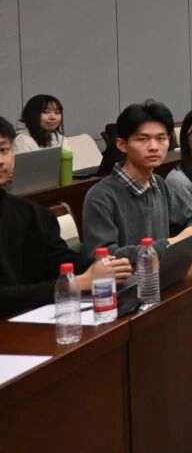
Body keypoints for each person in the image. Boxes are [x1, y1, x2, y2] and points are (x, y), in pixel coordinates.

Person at [1, 117, 132, 318]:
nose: (1, 160)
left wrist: (104, 268)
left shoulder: (32, 214)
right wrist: (75, 283)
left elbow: (61, 261)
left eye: (4, 150)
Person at [82, 101, 192, 263]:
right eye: (143, 139)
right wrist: (172, 242)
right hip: (131, 278)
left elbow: (188, 218)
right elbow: (105, 257)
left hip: (164, 272)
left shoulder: (159, 184)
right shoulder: (100, 196)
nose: (154, 147)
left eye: (161, 138)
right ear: (122, 144)